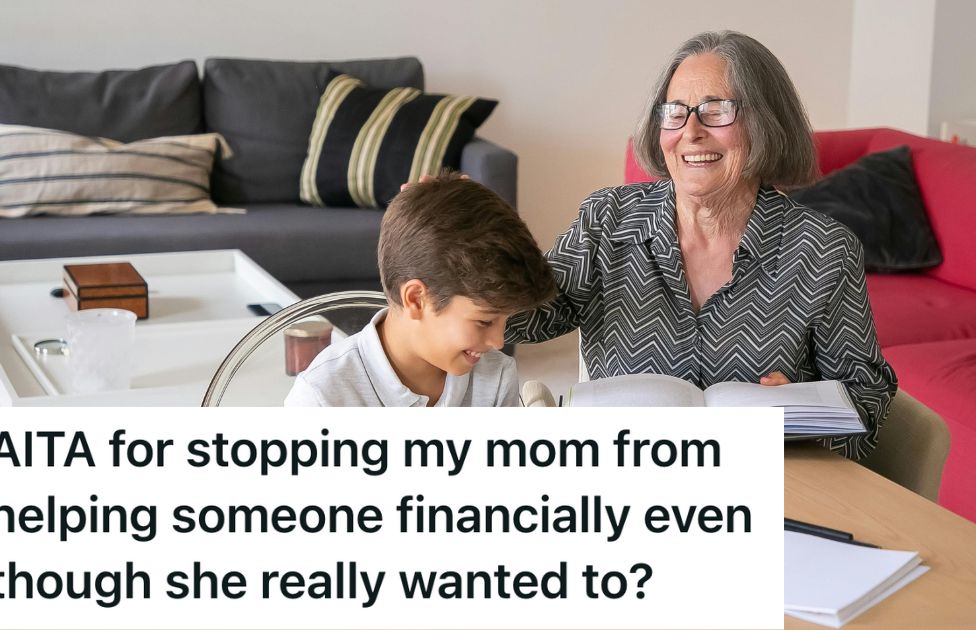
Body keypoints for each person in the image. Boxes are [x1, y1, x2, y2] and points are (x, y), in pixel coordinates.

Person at [505, 31, 896, 458]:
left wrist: (806, 415)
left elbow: (867, 396)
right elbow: (524, 319)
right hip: (623, 476)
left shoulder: (824, 248)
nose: (690, 131)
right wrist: (457, 246)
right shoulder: (609, 219)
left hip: (763, 487)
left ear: (765, 123)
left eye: (715, 111)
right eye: (675, 112)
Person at [285, 172, 556, 407]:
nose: (499, 341)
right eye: (485, 321)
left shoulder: (496, 378)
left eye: (504, 321)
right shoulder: (322, 396)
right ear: (415, 299)